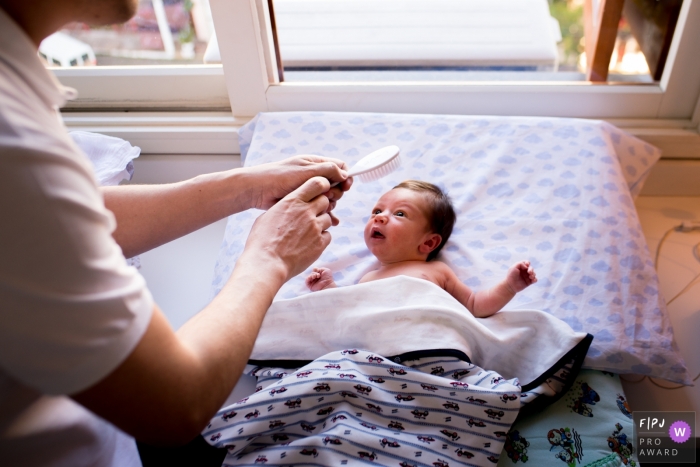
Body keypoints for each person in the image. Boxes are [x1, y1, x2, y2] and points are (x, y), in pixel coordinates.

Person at [0, 1, 352, 465]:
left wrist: (243, 187)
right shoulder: (14, 143)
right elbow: (176, 404)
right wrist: (269, 257)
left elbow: (53, 220)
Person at [306, 180, 537, 317]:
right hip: (375, 350)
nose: (380, 218)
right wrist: (329, 289)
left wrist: (509, 286)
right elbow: (347, 313)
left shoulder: (437, 271)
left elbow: (475, 306)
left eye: (400, 214)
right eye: (377, 211)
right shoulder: (368, 278)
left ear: (428, 243)